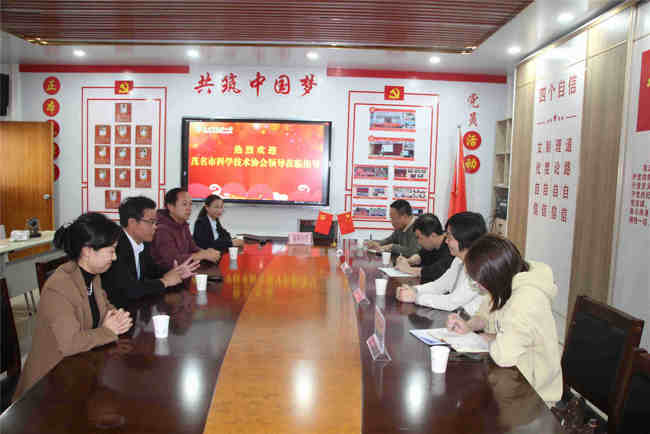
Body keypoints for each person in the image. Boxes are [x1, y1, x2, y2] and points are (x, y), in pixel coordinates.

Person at [13, 213, 133, 400]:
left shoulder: (92, 275)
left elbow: (105, 309)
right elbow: (70, 343)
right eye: (111, 251)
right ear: (88, 251)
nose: (115, 257)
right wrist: (108, 331)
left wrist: (117, 317)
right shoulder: (59, 287)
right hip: (47, 386)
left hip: (78, 369)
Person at [446, 234, 562, 404]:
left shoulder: (525, 301)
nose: (478, 286)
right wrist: (468, 326)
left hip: (531, 393)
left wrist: (481, 337)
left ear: (494, 276)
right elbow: (484, 315)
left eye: (479, 282)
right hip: (508, 377)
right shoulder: (507, 278)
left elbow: (503, 355)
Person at [101, 196, 200, 309]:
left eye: (156, 222)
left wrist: (176, 273)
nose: (155, 227)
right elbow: (129, 289)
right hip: (116, 310)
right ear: (132, 223)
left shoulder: (143, 243)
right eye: (151, 222)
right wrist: (164, 281)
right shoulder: (115, 247)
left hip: (137, 307)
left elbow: (152, 271)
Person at [395, 211, 487, 314]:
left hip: (470, 320)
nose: (446, 241)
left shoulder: (481, 267)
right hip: (458, 317)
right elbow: (439, 286)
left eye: (449, 238)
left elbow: (452, 302)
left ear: (463, 239)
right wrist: (414, 289)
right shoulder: (458, 260)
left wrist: (416, 297)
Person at [151, 188, 221, 272]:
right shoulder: (162, 229)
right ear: (171, 207)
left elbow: (193, 248)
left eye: (190, 204)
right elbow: (172, 260)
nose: (189, 208)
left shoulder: (183, 224)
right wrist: (200, 255)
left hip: (184, 272)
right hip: (167, 276)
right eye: (184, 204)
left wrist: (207, 253)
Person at [394, 213, 453, 284]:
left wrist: (409, 269)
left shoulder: (450, 248)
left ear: (433, 236)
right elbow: (421, 255)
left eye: (419, 238)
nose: (418, 242)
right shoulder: (432, 245)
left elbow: (437, 271)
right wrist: (408, 261)